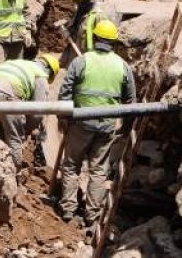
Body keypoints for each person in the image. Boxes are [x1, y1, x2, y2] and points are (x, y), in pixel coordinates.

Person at [57, 20, 136, 228]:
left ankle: (67, 209)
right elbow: (130, 103)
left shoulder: (82, 61)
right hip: (107, 125)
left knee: (72, 165)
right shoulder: (123, 66)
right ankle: (92, 215)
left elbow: (64, 92)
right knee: (99, 169)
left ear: (95, 38)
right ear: (113, 42)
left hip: (81, 123)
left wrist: (63, 118)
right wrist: (125, 127)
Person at [0, 54, 60, 168]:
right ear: (50, 72)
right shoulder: (41, 76)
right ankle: (15, 174)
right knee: (15, 140)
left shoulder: (18, 63)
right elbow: (37, 113)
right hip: (5, 96)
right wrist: (27, 130)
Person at [60, 0, 109, 68]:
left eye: (80, 0)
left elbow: (104, 44)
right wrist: (69, 32)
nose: (78, 3)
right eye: (77, 0)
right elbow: (77, 29)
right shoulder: (80, 11)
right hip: (75, 60)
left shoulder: (99, 16)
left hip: (89, 64)